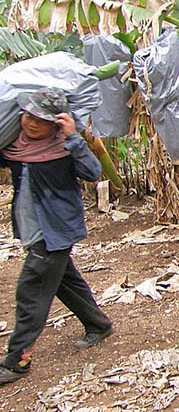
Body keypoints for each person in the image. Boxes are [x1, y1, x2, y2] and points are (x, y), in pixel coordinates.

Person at [0, 87, 113, 385]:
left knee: (31, 291)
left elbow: (92, 172)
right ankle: (98, 324)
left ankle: (16, 361)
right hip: (35, 230)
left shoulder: (63, 149)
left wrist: (74, 138)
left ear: (55, 124)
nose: (32, 124)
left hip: (56, 231)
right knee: (64, 280)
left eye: (42, 120)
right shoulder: (16, 149)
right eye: (28, 116)